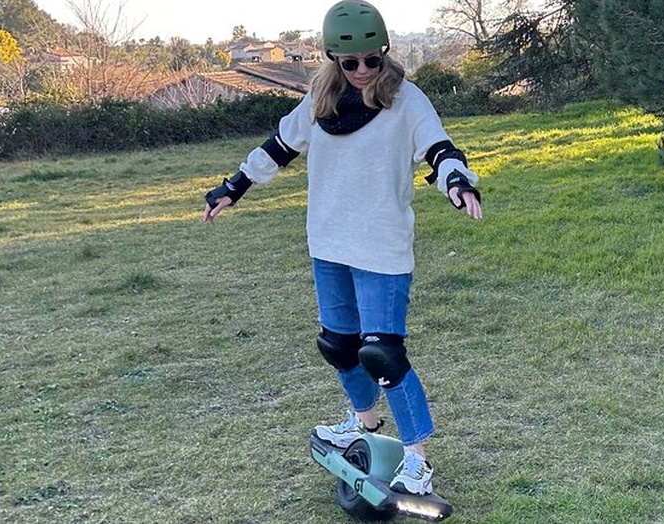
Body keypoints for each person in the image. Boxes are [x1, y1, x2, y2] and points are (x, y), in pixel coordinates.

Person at [203, 0, 483, 496]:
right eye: (348, 62)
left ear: (384, 55)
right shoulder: (318, 99)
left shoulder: (407, 100)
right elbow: (279, 145)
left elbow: (439, 147)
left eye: (370, 61)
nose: (360, 71)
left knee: (383, 354)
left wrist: (457, 181)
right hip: (328, 241)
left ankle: (416, 459)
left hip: (381, 245)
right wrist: (234, 186)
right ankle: (364, 421)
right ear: (333, 58)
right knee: (339, 345)